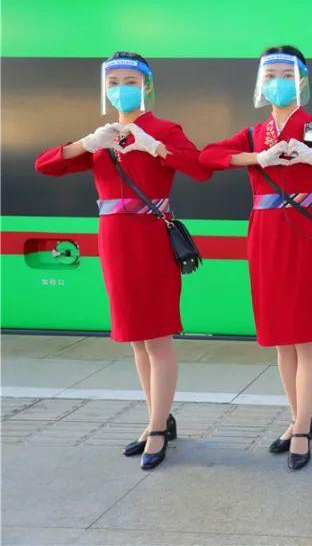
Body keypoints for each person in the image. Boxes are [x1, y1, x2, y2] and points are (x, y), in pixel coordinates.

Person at [199, 45, 312, 471]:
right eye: (271, 75)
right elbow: (207, 157)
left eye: (286, 74)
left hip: (307, 234)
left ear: (302, 81)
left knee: (306, 337)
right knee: (281, 337)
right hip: (266, 236)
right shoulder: (254, 134)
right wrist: (256, 158)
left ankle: (301, 427)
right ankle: (298, 419)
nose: (278, 82)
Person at [34, 52, 210, 470]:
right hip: (114, 239)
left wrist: (156, 147)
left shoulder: (165, 129)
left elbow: (200, 168)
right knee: (135, 337)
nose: (121, 89)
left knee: (157, 336)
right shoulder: (103, 136)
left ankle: (157, 428)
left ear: (146, 86)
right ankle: (156, 418)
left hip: (151, 239)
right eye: (113, 83)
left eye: (130, 81)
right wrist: (88, 144)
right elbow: (46, 165)